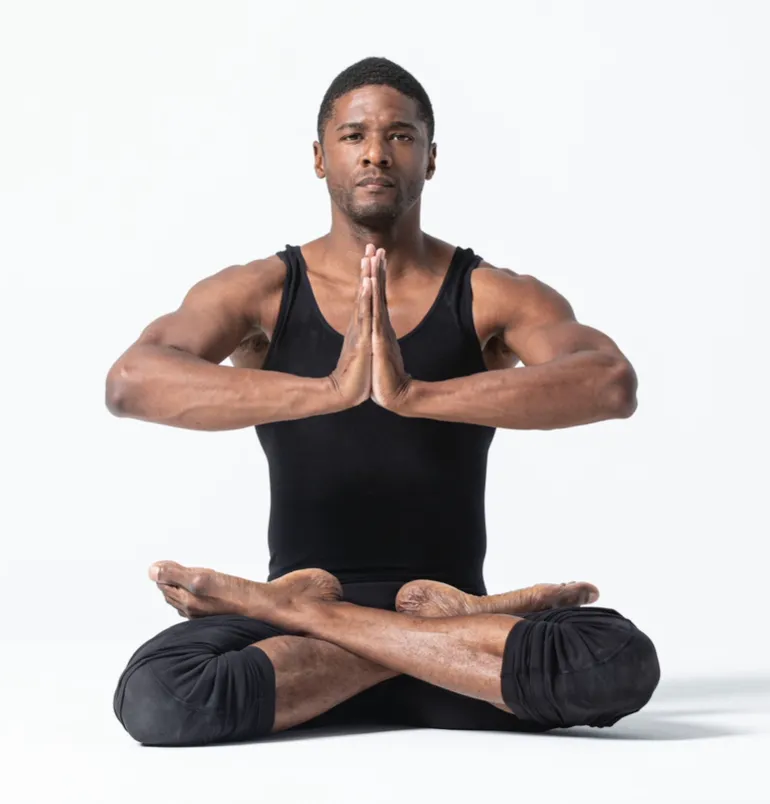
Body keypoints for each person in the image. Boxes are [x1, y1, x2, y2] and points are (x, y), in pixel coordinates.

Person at [104, 56, 659, 747]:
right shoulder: (263, 291)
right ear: (319, 157)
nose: (376, 153)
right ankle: (396, 631)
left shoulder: (489, 293)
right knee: (159, 694)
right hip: (445, 648)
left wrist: (416, 394)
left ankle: (330, 622)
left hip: (355, 629)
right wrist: (329, 391)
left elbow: (609, 382)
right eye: (353, 135)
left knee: (618, 660)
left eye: (400, 136)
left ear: (431, 159)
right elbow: (132, 381)